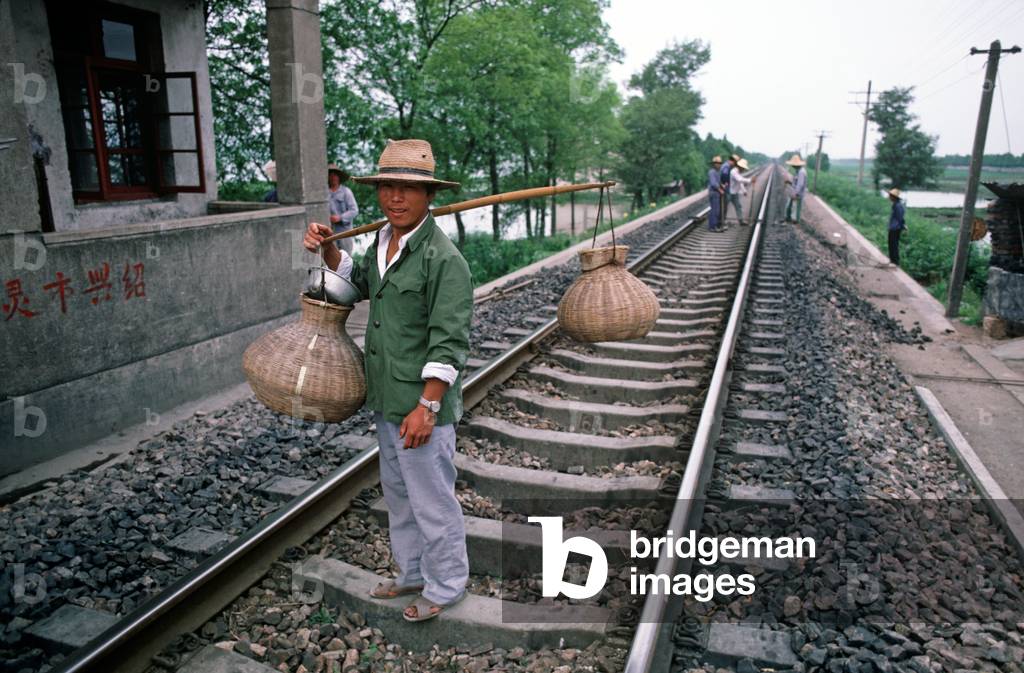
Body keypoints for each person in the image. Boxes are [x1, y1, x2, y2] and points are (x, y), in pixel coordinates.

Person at [303, 139, 471, 623]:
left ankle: (446, 585)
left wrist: (429, 406)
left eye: (408, 189)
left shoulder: (443, 260)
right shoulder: (382, 242)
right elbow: (355, 286)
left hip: (420, 405)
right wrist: (331, 250)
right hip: (385, 397)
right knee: (399, 496)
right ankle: (414, 572)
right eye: (388, 187)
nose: (396, 198)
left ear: (429, 197)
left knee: (432, 500)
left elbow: (450, 342)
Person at [328, 164, 359, 254]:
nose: (333, 177)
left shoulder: (346, 192)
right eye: (330, 174)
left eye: (335, 174)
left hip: (345, 232)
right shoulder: (324, 193)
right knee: (331, 259)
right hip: (330, 232)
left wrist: (340, 217)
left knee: (346, 259)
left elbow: (354, 210)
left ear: (339, 177)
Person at [726, 157, 756, 224]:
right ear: (740, 167)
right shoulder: (733, 172)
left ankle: (741, 220)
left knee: (738, 206)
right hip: (729, 193)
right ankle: (721, 221)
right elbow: (739, 179)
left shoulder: (738, 172)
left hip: (735, 193)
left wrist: (744, 191)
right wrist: (750, 180)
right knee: (725, 207)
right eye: (743, 168)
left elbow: (740, 182)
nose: (744, 170)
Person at [784, 154, 807, 223]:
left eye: (793, 164)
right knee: (790, 206)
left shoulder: (801, 172)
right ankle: (788, 218)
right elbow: (796, 183)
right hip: (794, 192)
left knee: (796, 209)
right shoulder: (798, 171)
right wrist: (789, 182)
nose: (792, 166)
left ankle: (795, 221)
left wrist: (795, 194)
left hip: (798, 193)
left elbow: (800, 184)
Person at [886, 187, 906, 265]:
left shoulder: (897, 206)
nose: (889, 197)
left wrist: (903, 225)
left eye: (890, 196)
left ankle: (895, 261)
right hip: (894, 227)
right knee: (892, 244)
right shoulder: (896, 205)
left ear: (894, 197)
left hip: (895, 228)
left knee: (893, 244)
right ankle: (893, 260)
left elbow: (900, 217)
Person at [707, 156, 725, 231]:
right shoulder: (712, 172)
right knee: (714, 210)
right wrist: (720, 189)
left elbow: (718, 181)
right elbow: (713, 183)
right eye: (717, 163)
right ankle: (712, 227)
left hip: (717, 193)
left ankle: (716, 225)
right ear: (714, 164)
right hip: (713, 193)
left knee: (717, 210)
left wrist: (722, 185)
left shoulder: (718, 172)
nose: (719, 165)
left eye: (720, 163)